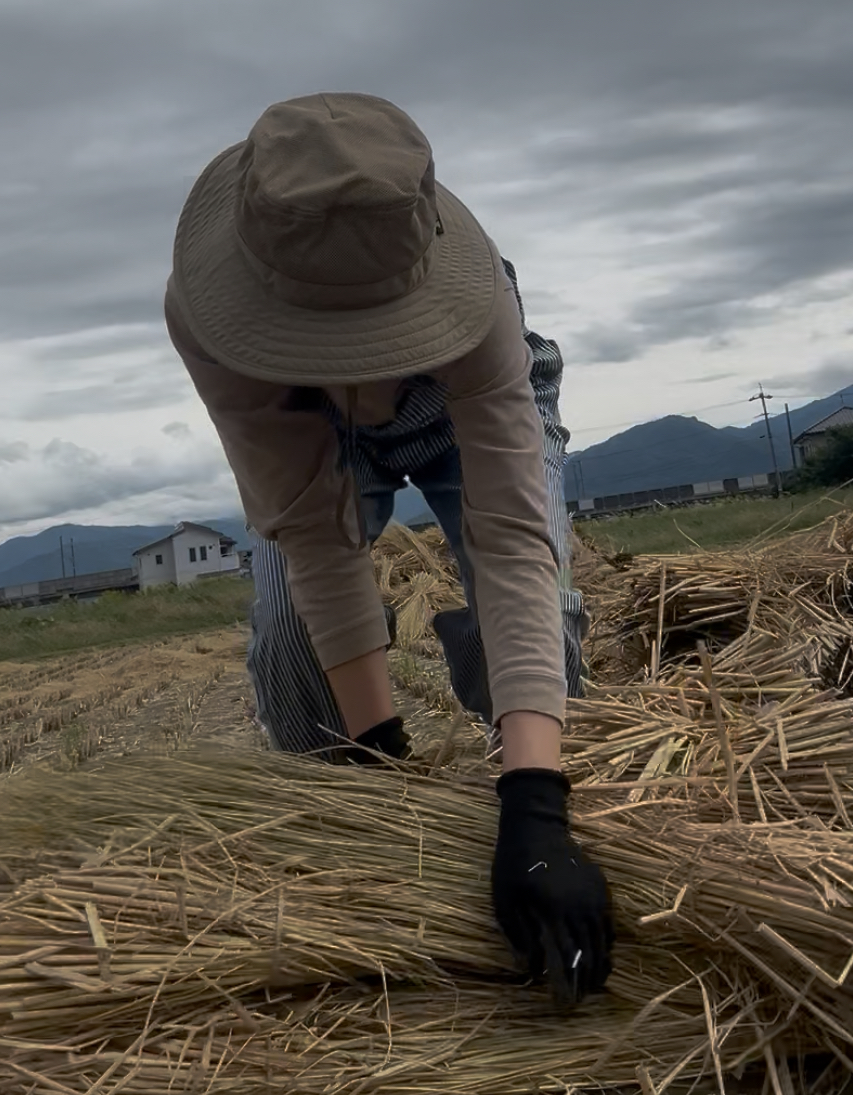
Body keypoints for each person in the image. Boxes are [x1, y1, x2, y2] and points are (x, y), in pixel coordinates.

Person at [163, 91, 613, 1006]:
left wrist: (534, 808)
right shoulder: (211, 319)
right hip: (318, 429)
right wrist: (378, 761)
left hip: (456, 406)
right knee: (291, 638)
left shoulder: (478, 302)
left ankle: (550, 809)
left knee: (540, 621)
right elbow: (310, 531)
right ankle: (352, 858)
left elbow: (513, 541)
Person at [243, 255, 589, 760]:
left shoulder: (477, 294)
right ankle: (337, 784)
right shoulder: (224, 324)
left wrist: (534, 782)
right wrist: (373, 744)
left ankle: (533, 755)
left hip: (474, 396)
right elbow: (312, 551)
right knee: (292, 623)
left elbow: (515, 553)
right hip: (319, 426)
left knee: (544, 604)